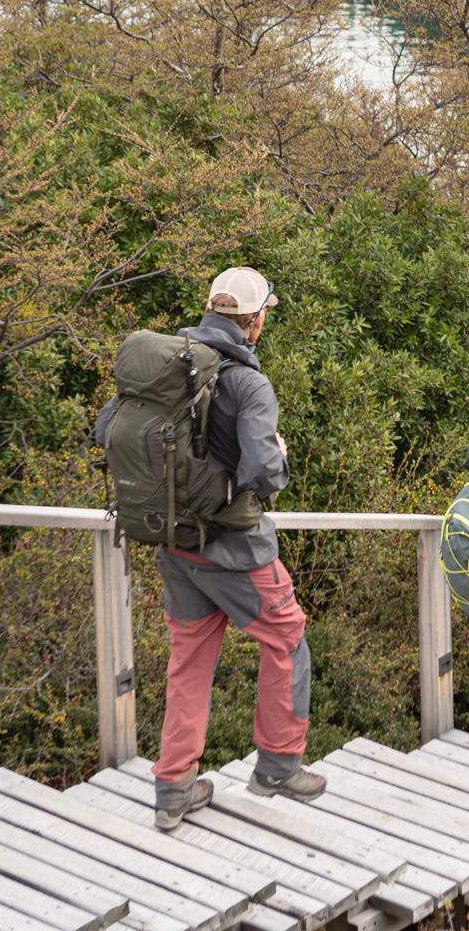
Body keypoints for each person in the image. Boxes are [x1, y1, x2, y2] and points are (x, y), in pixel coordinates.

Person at [136, 266, 326, 827]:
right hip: (234, 548)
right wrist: (280, 454)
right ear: (254, 320)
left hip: (173, 542)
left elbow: (107, 430)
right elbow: (263, 471)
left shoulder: (165, 363)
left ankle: (174, 788)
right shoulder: (248, 382)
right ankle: (278, 764)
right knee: (286, 636)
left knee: (189, 661)